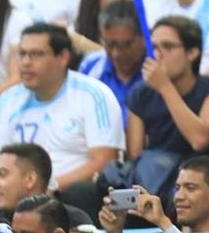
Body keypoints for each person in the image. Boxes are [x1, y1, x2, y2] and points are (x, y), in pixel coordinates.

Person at [0, 23, 124, 191]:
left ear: (63, 57)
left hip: (70, 196)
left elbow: (105, 161)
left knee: (80, 192)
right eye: (22, 54)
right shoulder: (8, 100)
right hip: (16, 197)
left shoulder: (93, 95)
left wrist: (49, 189)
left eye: (36, 54)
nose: (26, 62)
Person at [126, 15, 209, 168]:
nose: (157, 55)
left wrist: (165, 87)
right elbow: (135, 155)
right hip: (156, 175)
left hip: (202, 176)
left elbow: (199, 140)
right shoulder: (141, 93)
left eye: (167, 47)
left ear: (192, 52)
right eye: (154, 47)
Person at [78, 0, 145, 121]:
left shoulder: (160, 71)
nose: (116, 53)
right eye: (109, 44)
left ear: (144, 37)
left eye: (125, 45)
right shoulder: (91, 67)